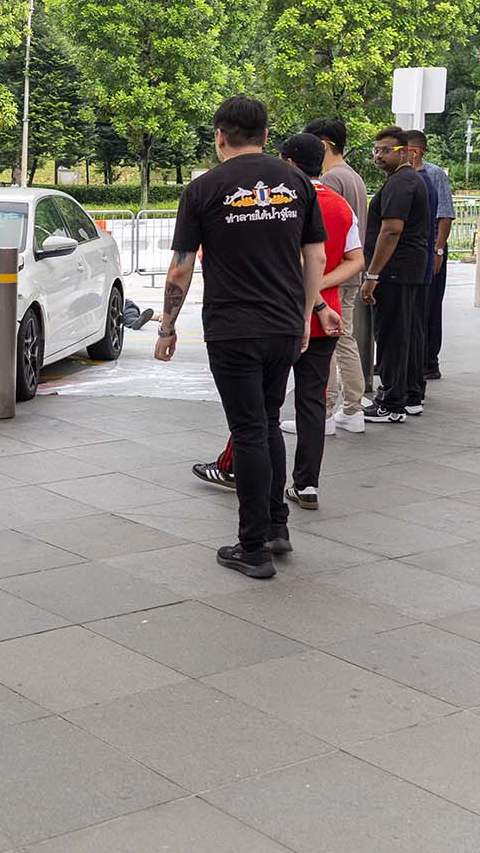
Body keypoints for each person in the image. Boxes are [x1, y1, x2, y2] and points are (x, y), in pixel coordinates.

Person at [157, 96, 326, 579]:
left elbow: (182, 266)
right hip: (283, 326)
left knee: (250, 429)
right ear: (267, 136)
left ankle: (252, 547)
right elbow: (313, 256)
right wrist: (304, 317)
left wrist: (168, 326)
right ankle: (276, 525)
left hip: (232, 329)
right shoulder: (296, 183)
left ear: (220, 136)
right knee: (267, 423)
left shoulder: (203, 188)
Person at [275, 133, 362, 510]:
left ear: (288, 162)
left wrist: (310, 297)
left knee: (266, 403)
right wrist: (323, 290)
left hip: (282, 316)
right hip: (326, 319)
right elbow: (356, 259)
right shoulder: (341, 206)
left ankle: (260, 478)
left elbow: (291, 262)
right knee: (312, 402)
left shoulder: (283, 204)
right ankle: (307, 484)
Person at [360, 127, 433, 424]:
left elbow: (391, 230)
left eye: (385, 150)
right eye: (376, 150)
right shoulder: (407, 179)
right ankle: (410, 395)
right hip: (408, 269)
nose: (379, 155)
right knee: (408, 333)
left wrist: (373, 274)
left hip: (394, 271)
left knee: (391, 336)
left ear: (405, 151)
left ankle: (391, 402)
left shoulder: (401, 182)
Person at [311, 117, 369, 431]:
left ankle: (329, 409)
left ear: (323, 145)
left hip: (332, 276)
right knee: (345, 338)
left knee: (332, 340)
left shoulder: (331, 180)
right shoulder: (354, 177)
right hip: (349, 272)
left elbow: (325, 238)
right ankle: (352, 408)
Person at [404, 130, 455, 384]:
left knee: (430, 307)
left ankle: (429, 361)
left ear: (416, 150)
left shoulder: (434, 174)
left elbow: (445, 215)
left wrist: (438, 250)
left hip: (431, 250)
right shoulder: (402, 175)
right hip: (412, 252)